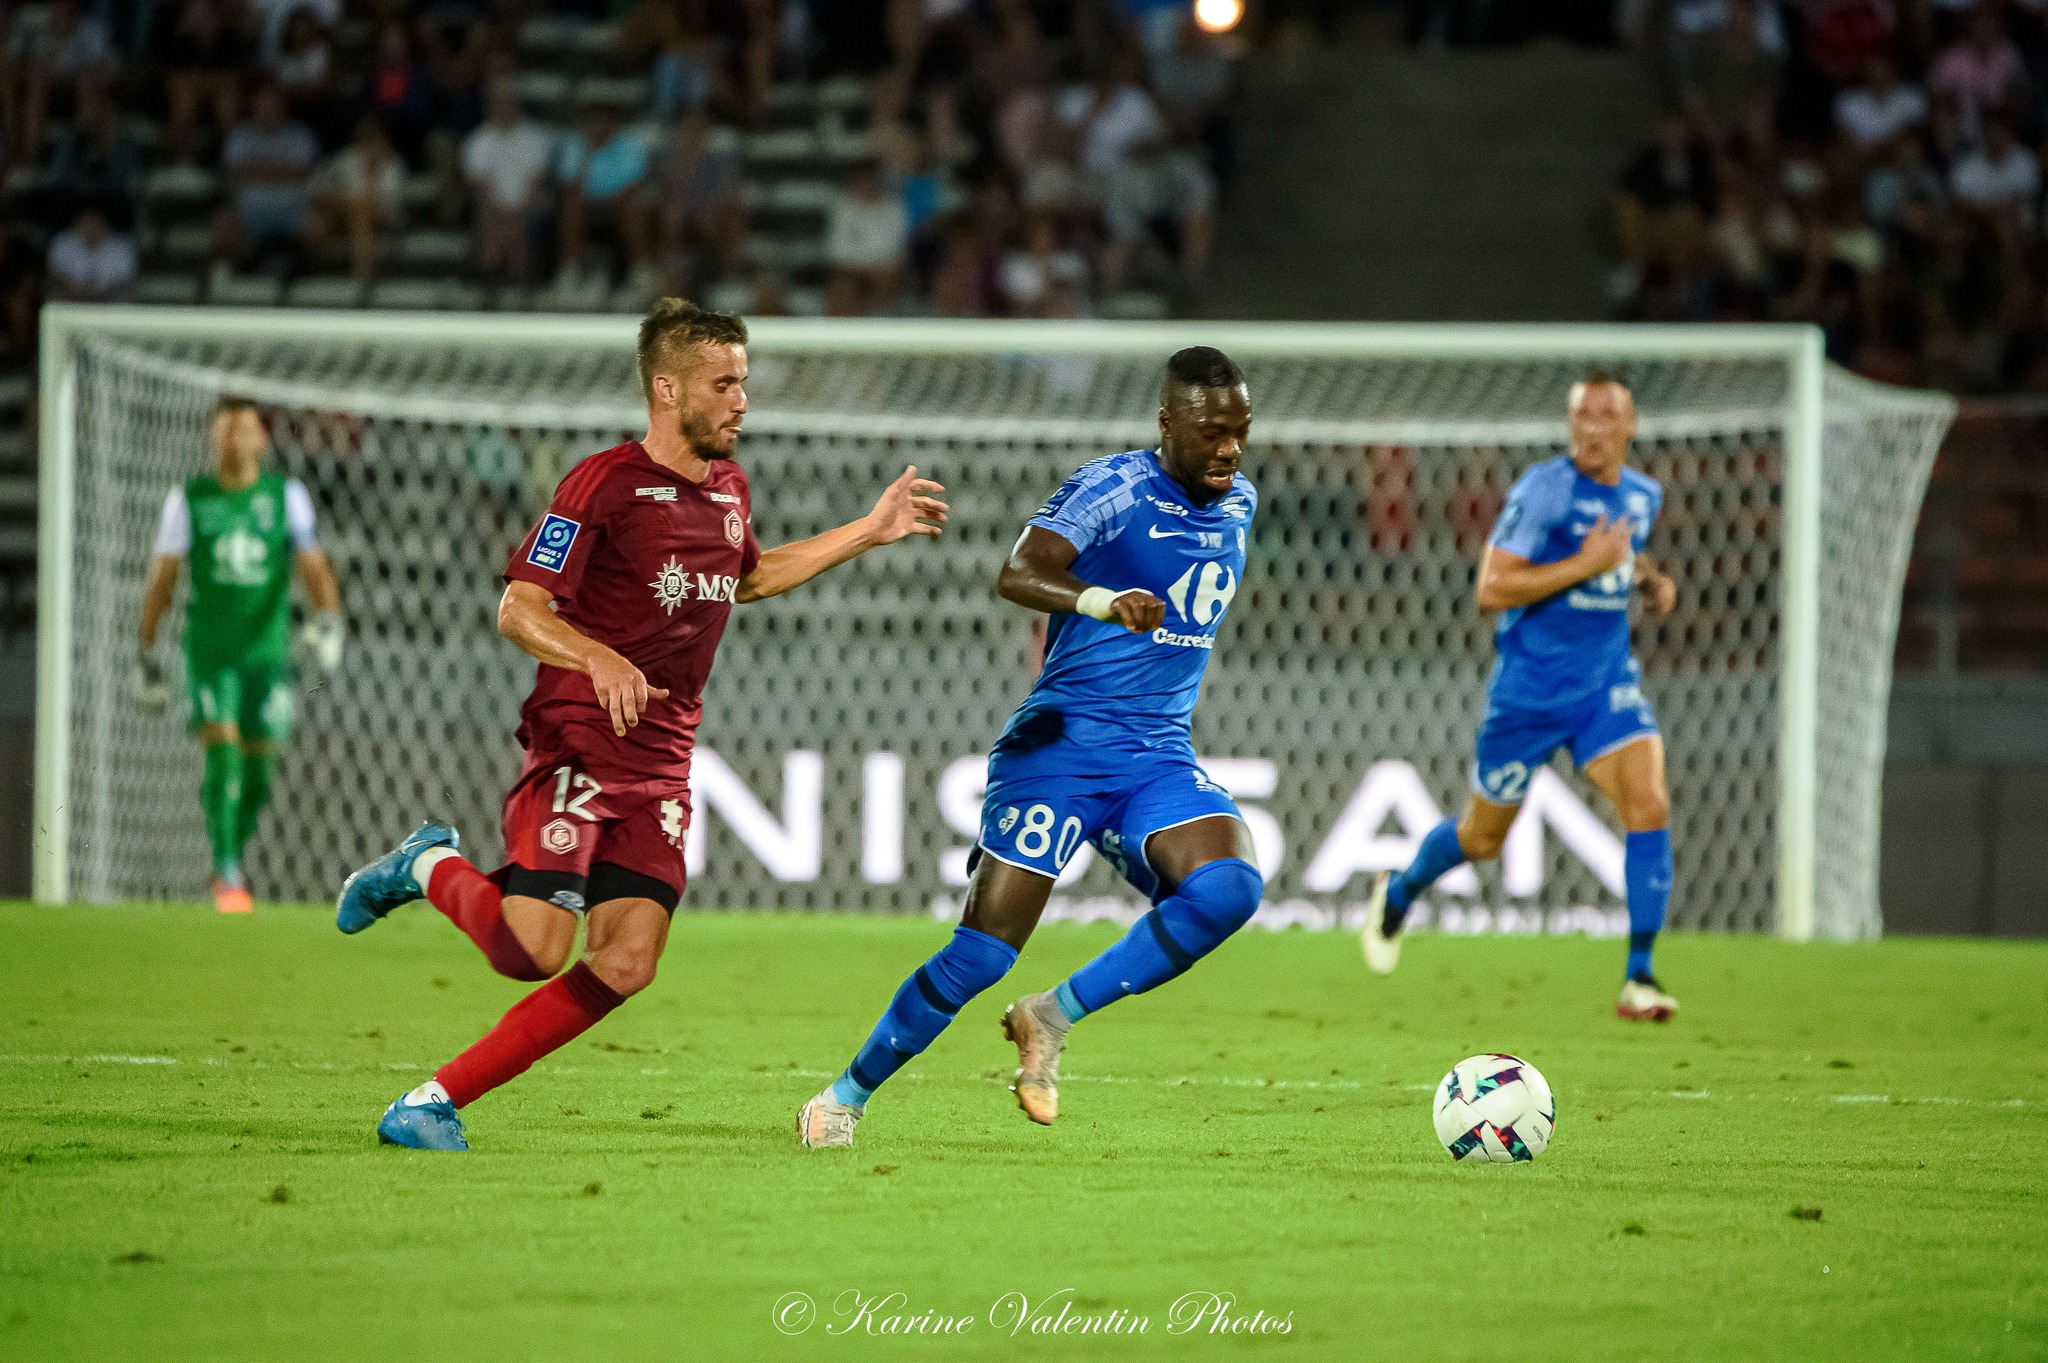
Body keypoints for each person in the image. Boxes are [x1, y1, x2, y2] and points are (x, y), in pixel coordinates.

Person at [333, 298, 947, 1152]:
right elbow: (519, 608)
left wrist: (869, 532)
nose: (742, 400)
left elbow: (754, 577)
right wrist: (597, 657)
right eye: (722, 383)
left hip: (660, 764)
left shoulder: (728, 486)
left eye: (744, 381)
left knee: (626, 963)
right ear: (667, 389)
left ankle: (432, 1101)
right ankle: (426, 863)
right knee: (532, 950)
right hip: (580, 740)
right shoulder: (603, 483)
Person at [798, 346, 1263, 1150]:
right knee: (980, 955)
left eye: (1240, 431)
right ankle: (842, 1095)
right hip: (1060, 748)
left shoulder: (1240, 500)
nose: (1228, 449)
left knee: (1229, 889)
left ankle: (1051, 1016)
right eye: (1210, 431)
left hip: (1155, 755)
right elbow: (1018, 571)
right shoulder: (1111, 489)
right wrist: (1101, 599)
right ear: (1166, 424)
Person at [1362, 376, 1681, 1023]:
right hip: (1528, 695)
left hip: (1604, 687)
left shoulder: (1641, 494)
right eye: (1581, 416)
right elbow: (1492, 587)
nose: (1592, 428)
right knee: (1481, 839)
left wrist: (1649, 580)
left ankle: (1639, 976)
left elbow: (1624, 553)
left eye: (1605, 415)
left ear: (1631, 426)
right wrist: (1586, 567)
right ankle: (1399, 889)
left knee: (1648, 803)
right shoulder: (1543, 491)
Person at [137, 396, 345, 915]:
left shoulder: (286, 496)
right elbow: (164, 577)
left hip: (267, 651)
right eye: (225, 431)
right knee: (222, 749)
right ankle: (228, 873)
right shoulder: (188, 499)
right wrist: (146, 646)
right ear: (212, 438)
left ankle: (228, 859)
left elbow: (312, 563)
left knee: (259, 772)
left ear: (261, 439)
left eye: (243, 431)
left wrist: (327, 616)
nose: (233, 441)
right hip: (211, 649)